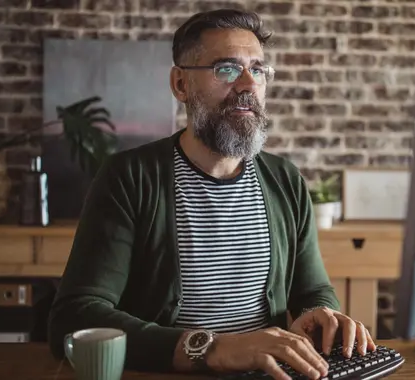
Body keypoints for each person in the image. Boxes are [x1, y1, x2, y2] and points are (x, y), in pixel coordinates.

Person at [48, 8, 376, 380]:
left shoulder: (285, 180)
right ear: (181, 84)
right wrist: (214, 349)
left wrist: (322, 317)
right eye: (227, 69)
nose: (248, 84)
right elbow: (75, 316)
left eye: (258, 70)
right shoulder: (129, 177)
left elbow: (312, 289)